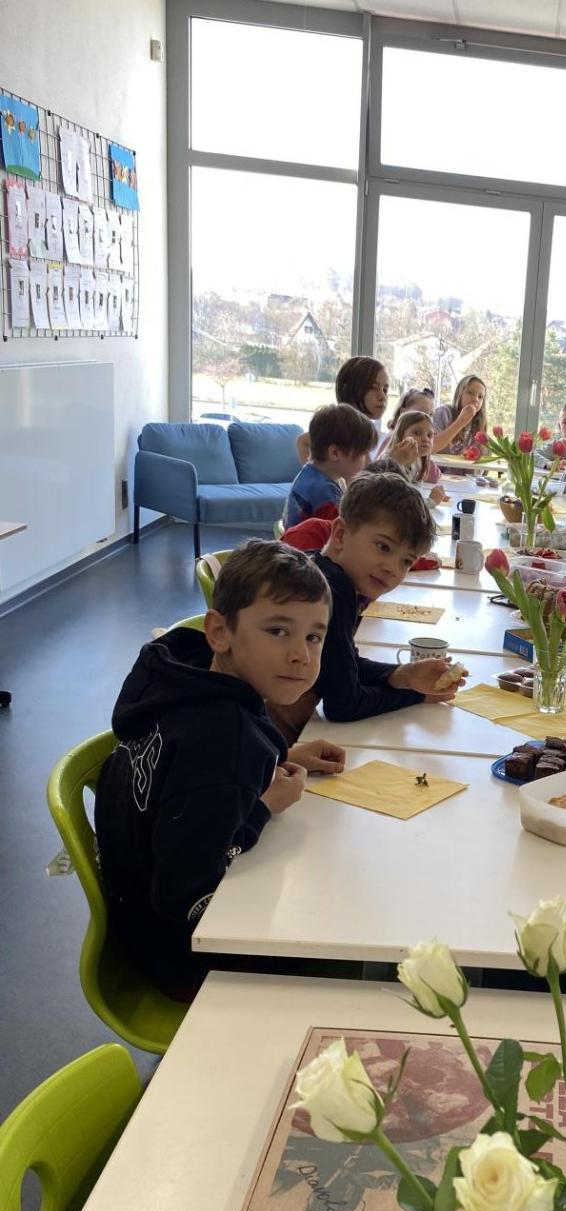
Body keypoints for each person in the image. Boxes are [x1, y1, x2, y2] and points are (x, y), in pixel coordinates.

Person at [94, 541, 344, 1002]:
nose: (302, 656)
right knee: (346, 921)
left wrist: (280, 753)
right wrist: (263, 809)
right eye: (278, 630)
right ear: (220, 631)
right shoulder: (224, 742)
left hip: (137, 923)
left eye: (314, 637)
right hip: (186, 958)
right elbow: (186, 892)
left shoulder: (183, 676)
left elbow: (191, 785)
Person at [270, 472, 466, 743]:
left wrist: (402, 675)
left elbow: (342, 663)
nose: (392, 568)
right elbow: (344, 705)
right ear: (340, 534)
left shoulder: (325, 574)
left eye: (406, 561)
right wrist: (415, 695)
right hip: (268, 745)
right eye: (383, 547)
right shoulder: (331, 591)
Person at [284, 403, 377, 529]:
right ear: (335, 453)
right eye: (362, 454)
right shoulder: (324, 493)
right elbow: (341, 533)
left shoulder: (310, 473)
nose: (365, 460)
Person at [296, 355, 391, 465]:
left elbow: (366, 471)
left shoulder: (363, 430)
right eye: (373, 387)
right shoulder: (340, 426)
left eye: (385, 390)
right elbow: (303, 441)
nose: (382, 396)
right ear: (350, 389)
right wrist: (315, 472)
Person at [431, 374, 488, 455]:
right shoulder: (444, 412)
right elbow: (430, 446)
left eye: (480, 397)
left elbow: (484, 456)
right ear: (459, 394)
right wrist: (460, 422)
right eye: (470, 392)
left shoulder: (478, 423)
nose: (475, 399)